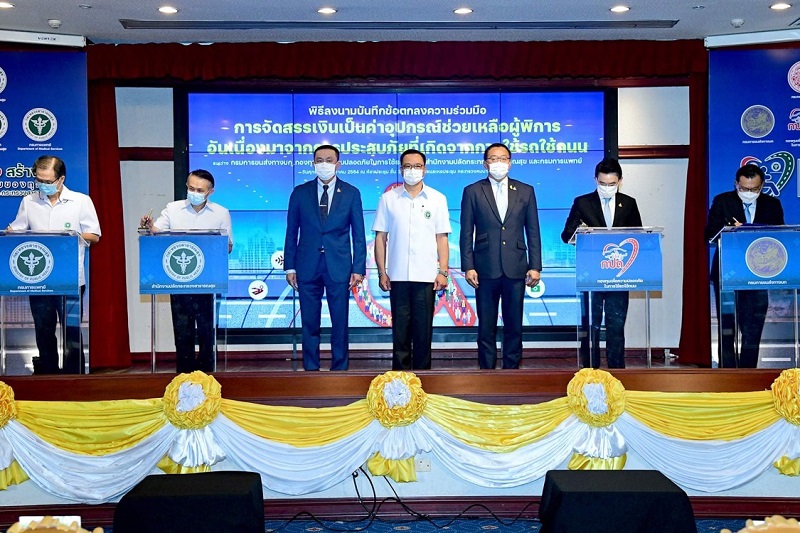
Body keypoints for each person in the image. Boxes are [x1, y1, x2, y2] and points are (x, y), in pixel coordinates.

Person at [7, 155, 101, 375]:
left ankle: (74, 378)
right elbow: (17, 230)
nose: (43, 185)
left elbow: (94, 235)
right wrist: (11, 232)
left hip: (70, 279)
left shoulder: (80, 201)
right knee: (43, 330)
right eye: (39, 180)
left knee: (71, 331)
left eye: (48, 181)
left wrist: (72, 236)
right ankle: (48, 376)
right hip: (40, 279)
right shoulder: (29, 202)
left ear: (61, 179)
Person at [140, 169, 233, 373]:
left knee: (207, 332)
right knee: (183, 332)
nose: (194, 193)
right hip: (179, 281)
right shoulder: (172, 209)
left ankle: (208, 374)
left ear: (210, 192)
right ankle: (184, 375)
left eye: (199, 190)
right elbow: (157, 232)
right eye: (191, 188)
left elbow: (228, 246)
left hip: (208, 282)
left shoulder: (221, 213)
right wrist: (149, 226)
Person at [283, 144, 366, 371]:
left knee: (340, 322)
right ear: (313, 164)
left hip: (339, 267)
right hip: (306, 265)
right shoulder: (299, 193)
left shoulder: (351, 193)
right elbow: (291, 232)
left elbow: (359, 235)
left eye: (329, 160)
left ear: (338, 164)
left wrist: (358, 268)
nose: (324, 164)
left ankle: (339, 369)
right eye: (319, 160)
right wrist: (290, 267)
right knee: (309, 321)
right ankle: (311, 369)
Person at [460, 143, 542, 369]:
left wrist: (535, 266)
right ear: (485, 163)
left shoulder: (525, 190)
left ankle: (511, 373)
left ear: (510, 163)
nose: (499, 163)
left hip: (516, 267)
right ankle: (486, 373)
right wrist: (468, 266)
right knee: (486, 325)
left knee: (514, 325)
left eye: (503, 158)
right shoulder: (473, 191)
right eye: (493, 159)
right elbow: (466, 232)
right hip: (484, 268)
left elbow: (533, 231)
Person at [373, 149, 451, 370]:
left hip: (426, 277)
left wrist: (443, 271)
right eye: (408, 166)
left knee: (423, 332)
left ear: (425, 169)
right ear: (401, 169)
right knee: (400, 332)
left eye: (417, 166)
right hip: (397, 276)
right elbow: (380, 237)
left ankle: (423, 378)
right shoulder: (389, 199)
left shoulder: (437, 199)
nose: (412, 170)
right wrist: (382, 272)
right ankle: (399, 379)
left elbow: (442, 238)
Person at [561, 157, 642, 369]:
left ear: (620, 181)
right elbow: (566, 235)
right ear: (595, 180)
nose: (607, 187)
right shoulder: (582, 202)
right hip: (591, 274)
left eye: (612, 184)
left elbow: (639, 235)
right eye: (602, 183)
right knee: (591, 326)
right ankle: (590, 371)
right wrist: (581, 232)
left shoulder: (629, 203)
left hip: (619, 274)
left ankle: (617, 371)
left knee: (616, 326)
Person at [705, 164, 784, 368]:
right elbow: (710, 234)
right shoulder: (722, 201)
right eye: (744, 188)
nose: (749, 193)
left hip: (758, 273)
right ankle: (728, 372)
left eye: (754, 189)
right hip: (728, 271)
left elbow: (780, 236)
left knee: (753, 327)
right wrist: (729, 229)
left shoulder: (772, 204)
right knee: (727, 326)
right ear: (736, 184)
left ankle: (749, 372)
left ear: (762, 186)